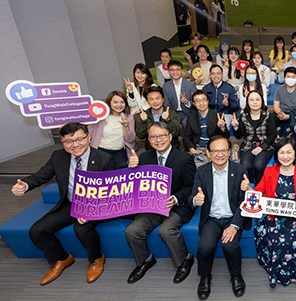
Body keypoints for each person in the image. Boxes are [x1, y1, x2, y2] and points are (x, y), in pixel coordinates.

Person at [11, 122, 115, 285]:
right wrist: (25, 185)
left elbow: (111, 192)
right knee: (37, 231)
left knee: (81, 229)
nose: (75, 145)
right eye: (68, 141)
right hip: (70, 203)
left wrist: (90, 210)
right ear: (62, 142)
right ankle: (62, 258)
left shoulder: (104, 159)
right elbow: (40, 176)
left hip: (96, 204)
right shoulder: (58, 156)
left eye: (79, 139)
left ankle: (96, 258)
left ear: (89, 138)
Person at [241, 137, 296, 288]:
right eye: (281, 152)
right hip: (274, 217)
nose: (285, 156)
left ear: (295, 154)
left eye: (289, 152)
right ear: (276, 154)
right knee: (276, 241)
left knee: (292, 242)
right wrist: (249, 189)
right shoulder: (269, 171)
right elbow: (259, 192)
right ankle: (275, 272)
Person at [124, 122, 196, 284]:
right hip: (151, 207)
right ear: (149, 140)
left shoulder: (185, 159)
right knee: (132, 230)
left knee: (166, 230)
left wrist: (175, 198)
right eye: (153, 137)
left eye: (162, 135)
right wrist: (132, 169)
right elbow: (135, 185)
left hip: (177, 205)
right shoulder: (143, 158)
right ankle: (146, 260)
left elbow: (191, 186)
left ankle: (185, 259)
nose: (158, 140)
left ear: (170, 137)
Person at [190, 136, 250, 299]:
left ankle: (236, 276)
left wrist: (235, 225)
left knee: (230, 246)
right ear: (208, 153)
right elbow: (192, 197)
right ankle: (205, 277)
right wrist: (196, 200)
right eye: (215, 151)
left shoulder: (240, 170)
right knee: (205, 247)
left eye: (224, 150)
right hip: (212, 218)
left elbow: (245, 202)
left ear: (229, 152)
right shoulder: (202, 171)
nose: (220, 154)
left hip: (233, 218)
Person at [231, 90, 276, 184]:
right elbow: (239, 136)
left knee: (258, 165)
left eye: (257, 99)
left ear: (262, 101)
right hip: (247, 145)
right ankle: (250, 187)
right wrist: (236, 127)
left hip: (265, 145)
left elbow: (272, 135)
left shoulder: (268, 115)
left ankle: (260, 186)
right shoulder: (243, 116)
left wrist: (261, 147)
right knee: (245, 165)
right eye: (251, 100)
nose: (254, 102)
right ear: (247, 102)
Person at [88, 91, 135, 169]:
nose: (119, 105)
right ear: (109, 103)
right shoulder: (101, 117)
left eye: (122, 102)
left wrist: (126, 127)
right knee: (103, 171)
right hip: (101, 150)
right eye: (115, 102)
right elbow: (89, 132)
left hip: (119, 150)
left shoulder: (129, 118)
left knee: (123, 168)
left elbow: (130, 140)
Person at [183, 90, 230, 164]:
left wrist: (222, 128)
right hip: (198, 149)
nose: (201, 103)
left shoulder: (218, 116)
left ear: (208, 101)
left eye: (203, 100)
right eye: (198, 101)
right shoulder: (190, 118)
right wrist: (192, 149)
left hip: (214, 149)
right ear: (194, 104)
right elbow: (187, 137)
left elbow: (226, 137)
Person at [135, 86, 181, 150]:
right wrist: (143, 122)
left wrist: (168, 120)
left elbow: (175, 134)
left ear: (163, 99)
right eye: (151, 99)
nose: (155, 101)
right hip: (151, 150)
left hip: (171, 149)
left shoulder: (172, 114)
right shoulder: (144, 115)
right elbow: (140, 136)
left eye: (157, 98)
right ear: (147, 102)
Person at [163, 60, 197, 126]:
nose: (175, 72)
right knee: (169, 124)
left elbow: (196, 101)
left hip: (188, 112)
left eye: (177, 70)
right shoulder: (166, 86)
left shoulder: (190, 85)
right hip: (174, 112)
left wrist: (187, 102)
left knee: (186, 123)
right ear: (169, 72)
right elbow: (166, 103)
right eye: (172, 70)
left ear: (182, 71)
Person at [273, 67, 296, 134]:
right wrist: (281, 114)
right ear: (284, 78)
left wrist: (288, 116)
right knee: (271, 120)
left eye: (293, 77)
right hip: (281, 112)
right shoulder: (279, 89)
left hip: (295, 114)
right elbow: (276, 106)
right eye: (288, 77)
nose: (290, 79)